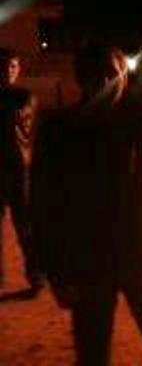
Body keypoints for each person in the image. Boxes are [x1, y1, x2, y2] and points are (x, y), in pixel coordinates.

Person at [32, 43, 142, 365]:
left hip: (141, 257)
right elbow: (43, 205)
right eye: (96, 74)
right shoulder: (60, 132)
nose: (105, 81)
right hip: (88, 263)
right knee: (93, 352)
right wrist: (55, 270)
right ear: (82, 78)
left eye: (112, 73)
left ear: (122, 75)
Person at [0, 47, 43, 295]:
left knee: (25, 226)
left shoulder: (24, 96)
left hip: (18, 169)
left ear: (18, 70)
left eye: (12, 66)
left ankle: (36, 276)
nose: (8, 71)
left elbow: (14, 117)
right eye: (4, 67)